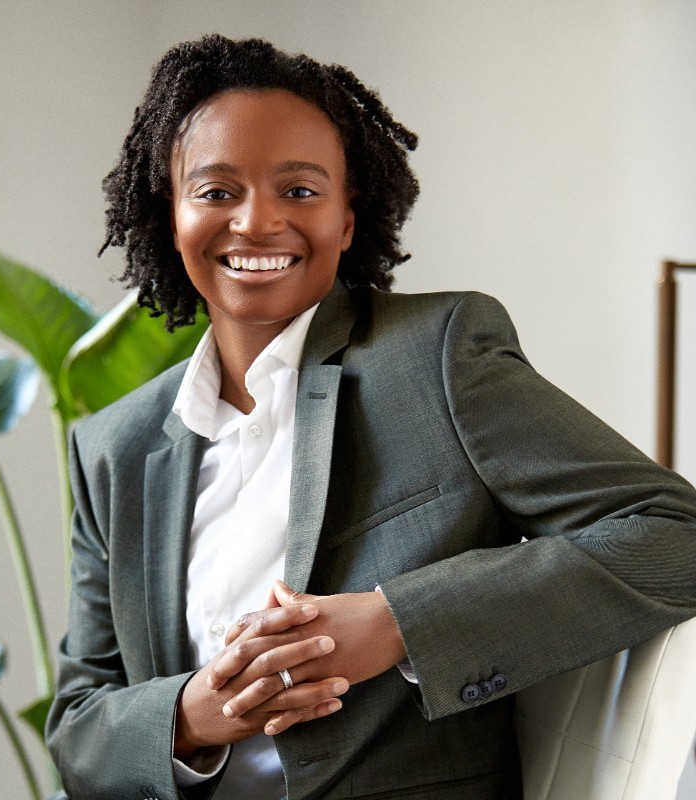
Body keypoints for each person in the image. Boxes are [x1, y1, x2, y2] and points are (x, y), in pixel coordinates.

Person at [45, 34, 696, 800]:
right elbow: (78, 730)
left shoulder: (436, 359)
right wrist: (192, 715)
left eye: (299, 190)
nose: (256, 222)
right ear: (172, 216)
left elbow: (673, 536)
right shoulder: (114, 448)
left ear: (347, 220)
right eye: (216, 192)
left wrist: (396, 624)